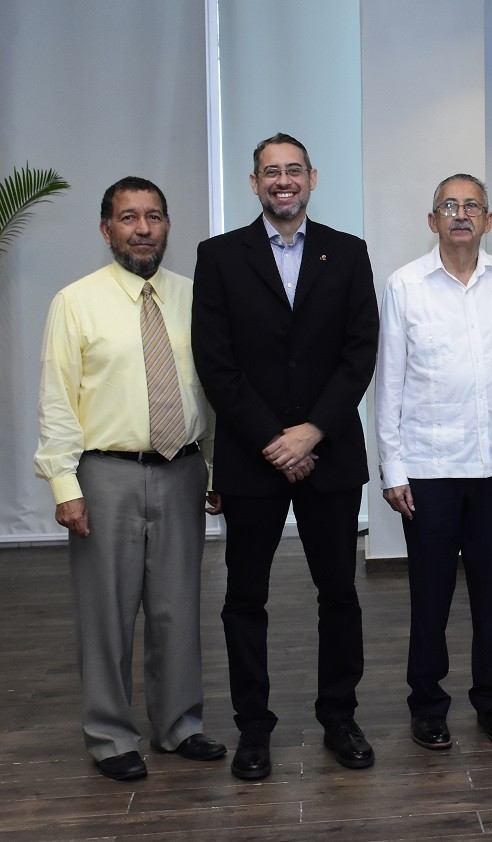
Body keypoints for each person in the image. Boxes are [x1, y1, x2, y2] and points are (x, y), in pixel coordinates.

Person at [191, 133, 379, 779]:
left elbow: (360, 353)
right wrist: (276, 439)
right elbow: (215, 362)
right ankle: (254, 727)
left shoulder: (348, 252)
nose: (283, 181)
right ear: (254, 183)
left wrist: (312, 432)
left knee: (339, 594)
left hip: (330, 453)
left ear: (312, 178)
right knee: (245, 597)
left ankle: (340, 718)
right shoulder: (219, 256)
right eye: (270, 172)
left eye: (293, 170)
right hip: (253, 457)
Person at [35, 176, 226, 781]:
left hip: (183, 470)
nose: (142, 229)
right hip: (106, 475)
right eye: (128, 218)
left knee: (178, 609)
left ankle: (180, 725)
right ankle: (110, 735)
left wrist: (217, 468)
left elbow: (212, 391)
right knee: (106, 615)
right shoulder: (75, 302)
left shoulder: (196, 297)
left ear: (167, 226)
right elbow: (58, 400)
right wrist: (64, 486)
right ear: (106, 229)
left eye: (153, 217)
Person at [375, 174, 492, 751]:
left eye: (472, 206)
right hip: (428, 470)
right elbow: (389, 383)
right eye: (450, 206)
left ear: (488, 220)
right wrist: (393, 469)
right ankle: (427, 705)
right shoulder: (404, 285)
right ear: (432, 220)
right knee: (430, 597)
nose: (461, 214)